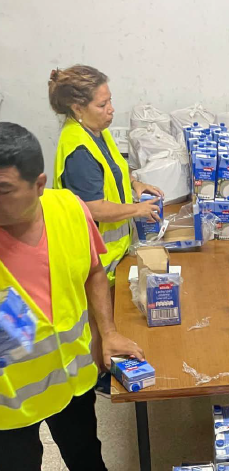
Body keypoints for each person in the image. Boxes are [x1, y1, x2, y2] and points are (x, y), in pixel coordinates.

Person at [0, 123, 146, 471]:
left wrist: (109, 331)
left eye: (3, 189)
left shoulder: (68, 210)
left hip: (72, 374)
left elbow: (95, 273)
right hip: (11, 397)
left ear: (39, 185)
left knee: (84, 441)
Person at [48, 64, 163, 394]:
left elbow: (114, 169)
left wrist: (136, 183)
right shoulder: (78, 149)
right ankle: (100, 376)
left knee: (108, 313)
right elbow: (94, 207)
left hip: (112, 247)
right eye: (102, 104)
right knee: (99, 320)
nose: (111, 109)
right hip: (93, 250)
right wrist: (137, 209)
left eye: (110, 101)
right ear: (77, 108)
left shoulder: (97, 133)